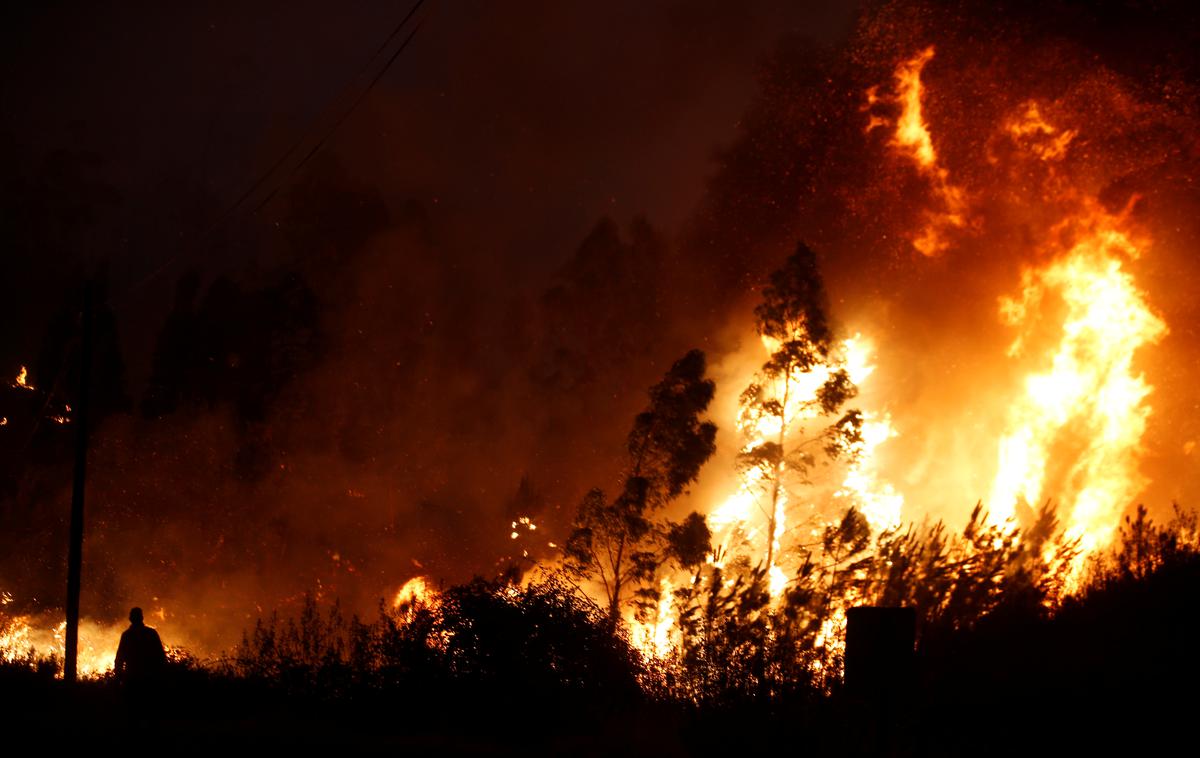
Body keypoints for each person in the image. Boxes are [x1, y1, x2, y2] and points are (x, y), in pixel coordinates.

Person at [113, 606, 166, 685]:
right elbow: (161, 656)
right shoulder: (151, 633)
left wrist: (118, 677)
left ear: (130, 619)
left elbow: (119, 658)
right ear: (142, 618)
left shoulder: (127, 635)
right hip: (150, 678)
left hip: (132, 678)